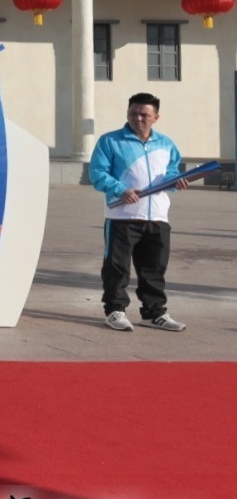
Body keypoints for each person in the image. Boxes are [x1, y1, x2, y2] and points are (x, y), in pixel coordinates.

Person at [88, 92, 189, 332]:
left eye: (144, 114)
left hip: (157, 217)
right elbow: (97, 173)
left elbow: (171, 171)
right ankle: (115, 311)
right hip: (122, 217)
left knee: (154, 269)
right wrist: (120, 190)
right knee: (117, 267)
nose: (138, 118)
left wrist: (176, 181)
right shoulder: (110, 141)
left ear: (156, 117)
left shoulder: (166, 144)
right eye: (133, 113)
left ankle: (154, 313)